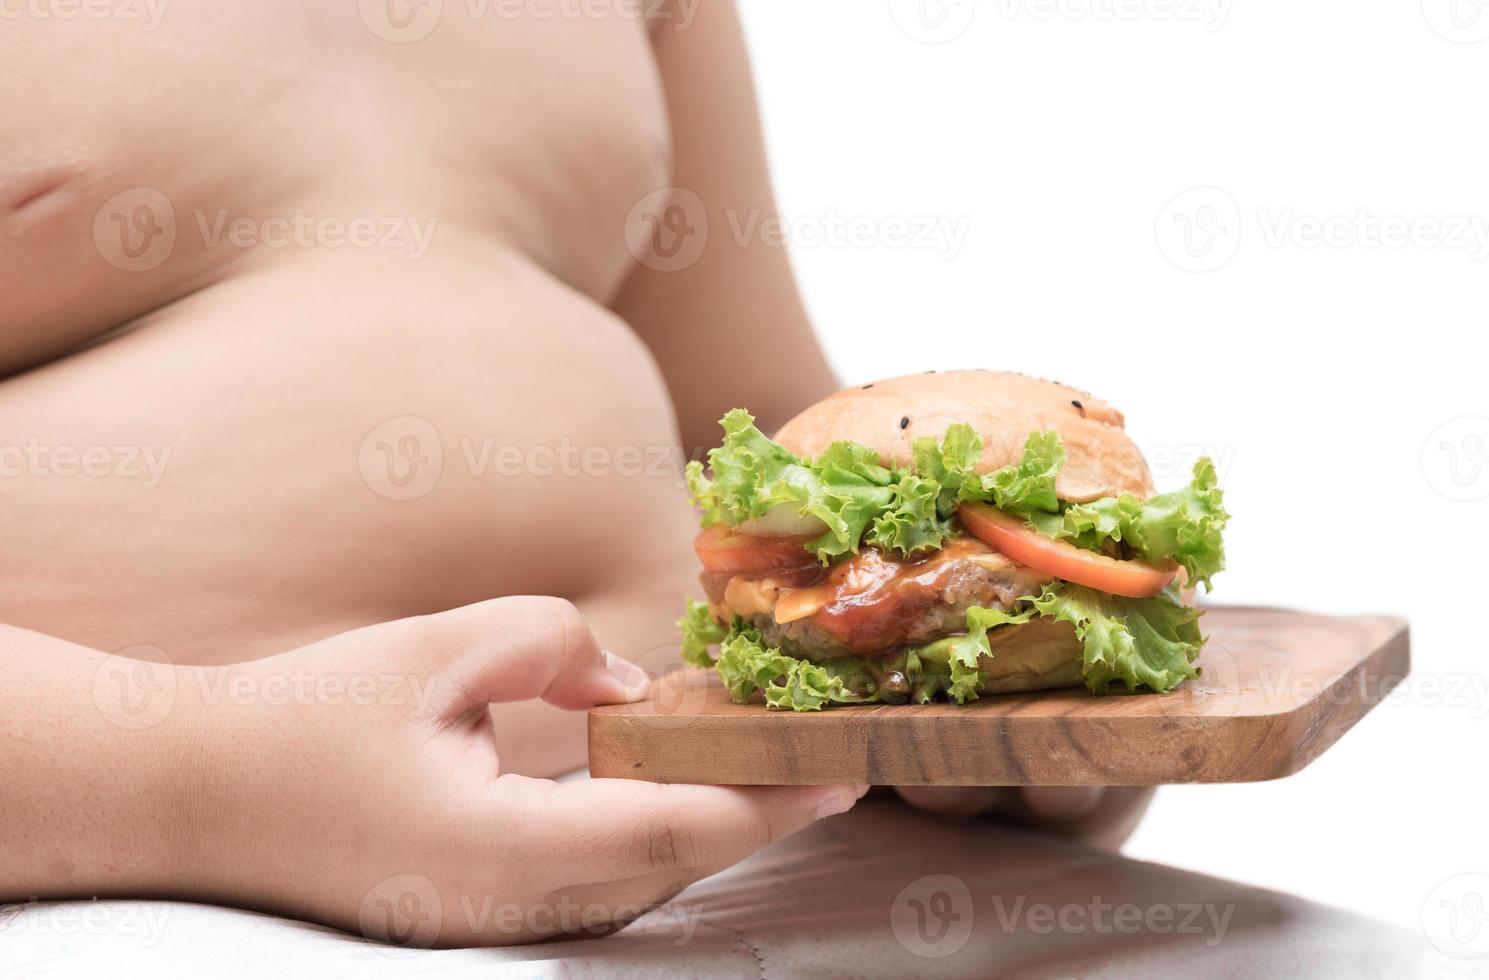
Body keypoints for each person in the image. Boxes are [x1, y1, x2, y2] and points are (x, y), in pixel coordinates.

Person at [0, 0, 1146, 946]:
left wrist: (952, 704)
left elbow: (769, 454)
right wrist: (200, 783)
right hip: (106, 890)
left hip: (744, 868)